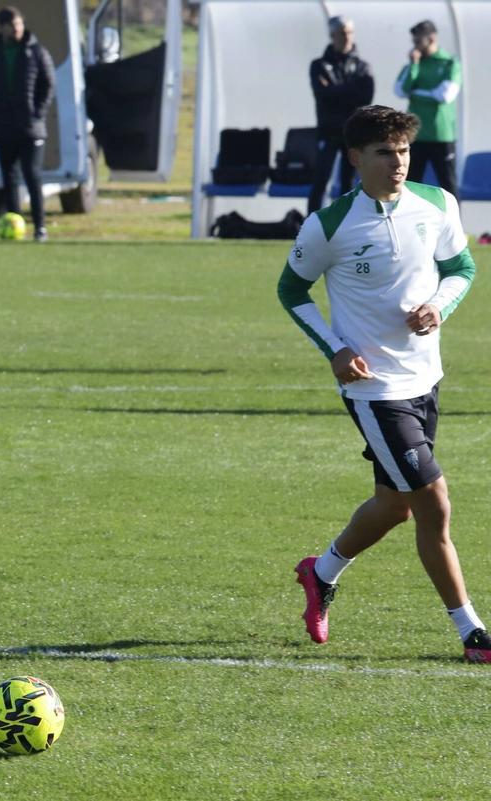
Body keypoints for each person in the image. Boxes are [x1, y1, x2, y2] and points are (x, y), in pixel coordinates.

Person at [277, 105, 487, 663]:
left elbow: (462, 270)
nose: (398, 163)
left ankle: (320, 573)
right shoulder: (328, 224)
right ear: (355, 158)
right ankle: (472, 632)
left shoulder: (438, 204)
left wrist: (439, 307)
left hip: (426, 376)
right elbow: (291, 291)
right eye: (384, 153)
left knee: (394, 506)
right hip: (374, 389)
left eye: (403, 151)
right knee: (433, 505)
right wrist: (335, 349)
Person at [0, 6, 55, 242]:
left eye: (20, 24)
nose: (18, 29)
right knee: (9, 178)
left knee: (32, 175)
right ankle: (14, 223)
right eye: (13, 25)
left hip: (30, 128)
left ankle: (40, 226)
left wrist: (37, 114)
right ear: (2, 28)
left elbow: (48, 85)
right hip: (3, 128)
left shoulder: (36, 52)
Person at [307, 16, 373, 213]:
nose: (347, 37)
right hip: (328, 131)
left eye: (350, 32)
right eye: (343, 33)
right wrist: (350, 90)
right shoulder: (318, 65)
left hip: (352, 133)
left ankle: (345, 225)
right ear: (332, 35)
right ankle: (311, 227)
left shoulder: (362, 67)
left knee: (347, 182)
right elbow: (322, 94)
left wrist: (336, 89)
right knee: (320, 180)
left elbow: (365, 97)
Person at [394, 20, 461, 197]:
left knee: (448, 185)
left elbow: (445, 95)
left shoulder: (449, 63)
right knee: (410, 184)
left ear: (431, 39)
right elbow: (400, 90)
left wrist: (415, 92)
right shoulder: (414, 63)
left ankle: (455, 224)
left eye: (418, 41)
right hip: (416, 135)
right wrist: (413, 65)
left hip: (441, 136)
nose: (415, 46)